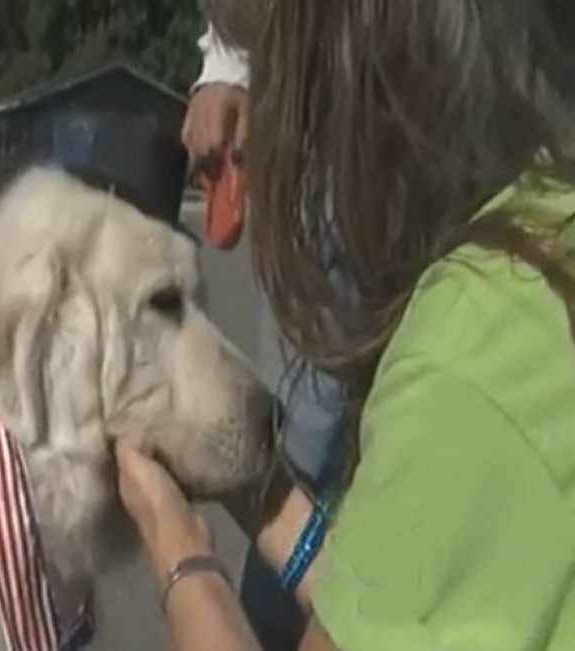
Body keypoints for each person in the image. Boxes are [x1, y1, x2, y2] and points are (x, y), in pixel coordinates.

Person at [118, 0, 575, 650]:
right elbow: (383, 592)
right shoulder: (535, 252)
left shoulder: (460, 372)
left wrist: (181, 554)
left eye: (267, 78)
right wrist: (258, 490)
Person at [181, 15, 347, 651]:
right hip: (323, 131)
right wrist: (228, 62)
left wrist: (180, 551)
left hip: (435, 113)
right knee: (306, 439)